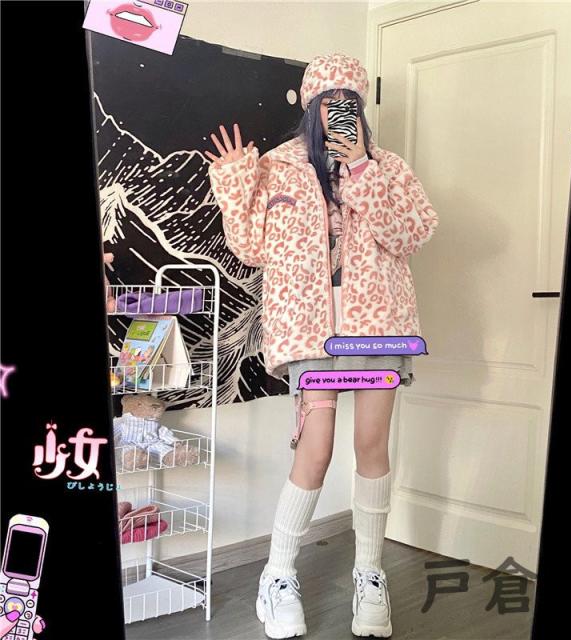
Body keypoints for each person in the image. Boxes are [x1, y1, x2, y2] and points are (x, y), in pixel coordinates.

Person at [206, 52, 439, 639]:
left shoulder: (386, 166)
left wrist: (361, 168)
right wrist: (235, 181)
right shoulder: (277, 167)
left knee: (372, 445)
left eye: (348, 103)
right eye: (327, 102)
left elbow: (410, 234)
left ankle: (370, 574)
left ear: (360, 108)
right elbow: (251, 248)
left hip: (377, 327)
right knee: (315, 450)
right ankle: (278, 574)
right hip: (310, 330)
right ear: (310, 106)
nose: (338, 112)